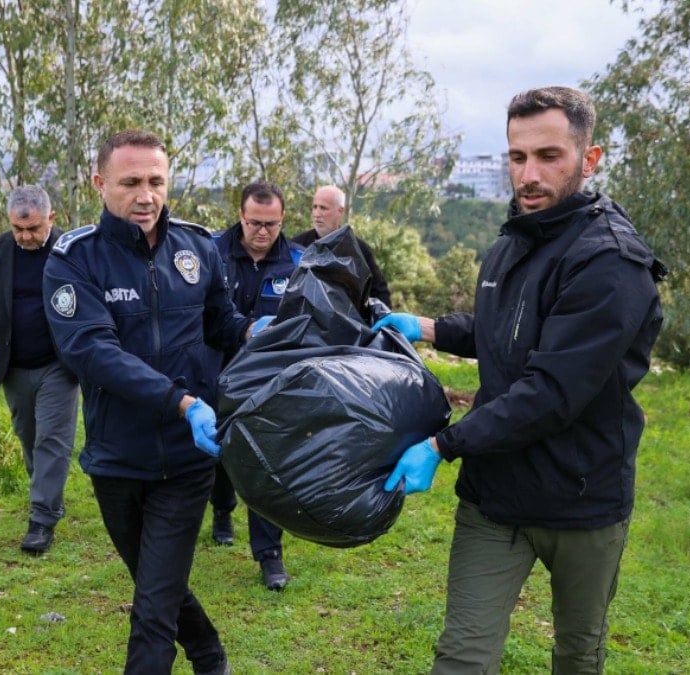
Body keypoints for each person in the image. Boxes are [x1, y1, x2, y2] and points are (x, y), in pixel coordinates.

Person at [373, 86, 666, 674]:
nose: (529, 174)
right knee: (461, 657)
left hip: (581, 500)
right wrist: (428, 327)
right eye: (517, 157)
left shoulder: (609, 263)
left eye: (549, 156)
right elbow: (503, 330)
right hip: (496, 499)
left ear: (590, 158)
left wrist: (441, 445)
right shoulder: (515, 240)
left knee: (577, 655)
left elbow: (552, 392)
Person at [43, 129, 262, 674]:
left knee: (152, 610)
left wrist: (257, 332)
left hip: (188, 462)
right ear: (100, 183)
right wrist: (182, 402)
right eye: (132, 182)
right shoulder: (73, 260)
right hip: (118, 460)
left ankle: (206, 660)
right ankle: (210, 653)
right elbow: (93, 352)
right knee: (156, 583)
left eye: (157, 181)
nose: (146, 195)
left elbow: (221, 323)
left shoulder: (198, 247)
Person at [0, 185, 79, 556]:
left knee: (51, 441)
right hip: (14, 366)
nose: (25, 237)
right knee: (29, 436)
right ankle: (48, 494)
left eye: (33, 229)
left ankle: (42, 519)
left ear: (51, 219)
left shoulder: (71, 250)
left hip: (59, 363)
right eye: (18, 229)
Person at [208, 180, 302, 590]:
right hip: (214, 370)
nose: (262, 232)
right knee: (217, 455)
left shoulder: (299, 262)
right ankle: (222, 508)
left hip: (268, 380)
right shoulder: (209, 252)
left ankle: (269, 556)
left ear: (283, 220)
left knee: (265, 464)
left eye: (271, 224)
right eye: (254, 223)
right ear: (240, 216)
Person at [291, 185, 392, 307]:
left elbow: (379, 293)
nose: (317, 214)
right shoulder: (297, 246)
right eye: (315, 207)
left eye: (323, 208)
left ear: (340, 211)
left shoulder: (359, 249)